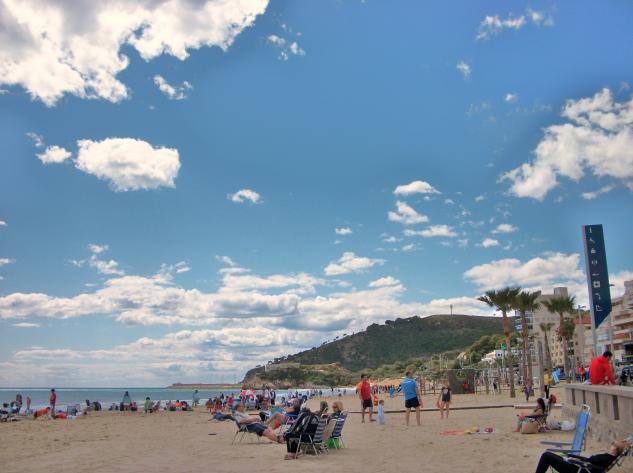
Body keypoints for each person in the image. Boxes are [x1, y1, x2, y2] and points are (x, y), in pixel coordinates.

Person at [533, 439, 630, 473]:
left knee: (546, 455)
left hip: (577, 470)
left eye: (613, 445)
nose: (611, 446)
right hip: (578, 466)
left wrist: (576, 461)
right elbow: (590, 461)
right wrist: (576, 458)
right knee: (550, 456)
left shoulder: (607, 457)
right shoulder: (609, 457)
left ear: (615, 449)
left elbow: (592, 463)